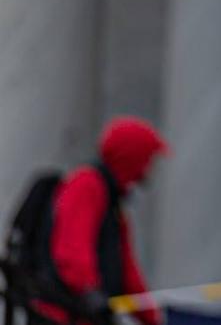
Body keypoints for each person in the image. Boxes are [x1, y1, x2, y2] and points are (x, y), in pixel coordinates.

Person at [28, 117, 168, 325]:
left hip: (87, 316)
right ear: (132, 157)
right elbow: (71, 252)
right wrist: (90, 293)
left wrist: (151, 316)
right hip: (64, 317)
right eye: (147, 159)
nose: (148, 169)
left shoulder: (112, 200)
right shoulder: (87, 185)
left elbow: (127, 270)